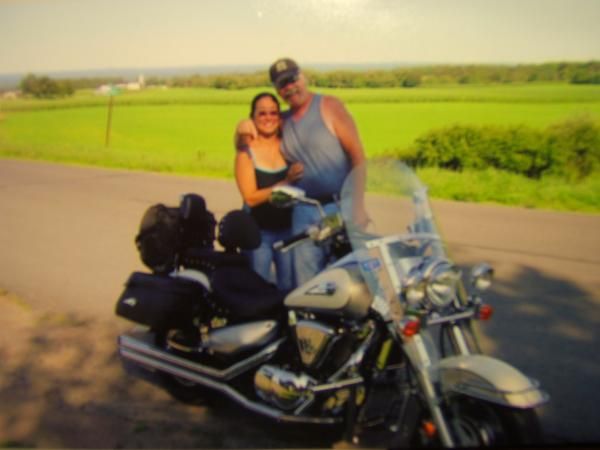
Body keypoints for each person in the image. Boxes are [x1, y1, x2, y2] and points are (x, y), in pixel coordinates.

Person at [235, 58, 368, 286]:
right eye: (282, 84)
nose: (290, 87)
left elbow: (358, 157)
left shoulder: (329, 106)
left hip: (340, 205)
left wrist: (357, 206)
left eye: (292, 79)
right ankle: (310, 321)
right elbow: (252, 137)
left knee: (352, 275)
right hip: (303, 212)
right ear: (278, 90)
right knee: (306, 282)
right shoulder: (282, 121)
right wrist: (240, 129)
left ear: (303, 77)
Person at [234, 92, 303, 290]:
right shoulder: (246, 152)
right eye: (262, 113)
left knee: (289, 290)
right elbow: (250, 198)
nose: (268, 118)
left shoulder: (288, 146)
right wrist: (285, 182)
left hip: (289, 232)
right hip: (258, 235)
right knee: (257, 290)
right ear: (252, 117)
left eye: (273, 113)